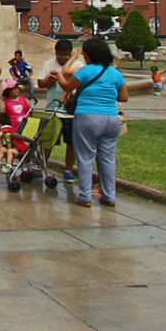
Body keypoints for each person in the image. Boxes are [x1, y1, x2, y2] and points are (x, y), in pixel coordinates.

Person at [59, 36, 128, 208]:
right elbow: (124, 97)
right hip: (111, 118)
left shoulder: (85, 71)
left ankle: (85, 196)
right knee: (107, 159)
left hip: (87, 116)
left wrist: (60, 75)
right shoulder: (115, 73)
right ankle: (109, 196)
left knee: (85, 157)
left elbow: (67, 86)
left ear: (89, 55)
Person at [37, 38, 75, 181]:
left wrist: (63, 76)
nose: (62, 58)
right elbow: (41, 83)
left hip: (70, 111)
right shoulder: (49, 64)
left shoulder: (77, 65)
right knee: (47, 140)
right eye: (59, 54)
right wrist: (50, 80)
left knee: (71, 142)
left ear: (70, 54)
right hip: (52, 109)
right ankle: (39, 166)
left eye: (65, 55)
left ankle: (69, 169)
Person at [0, 77, 30, 170]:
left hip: (24, 128)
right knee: (10, 147)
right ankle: (7, 164)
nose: (16, 90)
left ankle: (26, 165)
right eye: (12, 89)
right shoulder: (5, 102)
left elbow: (30, 112)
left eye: (17, 88)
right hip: (10, 130)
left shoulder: (24, 100)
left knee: (24, 146)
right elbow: (1, 117)